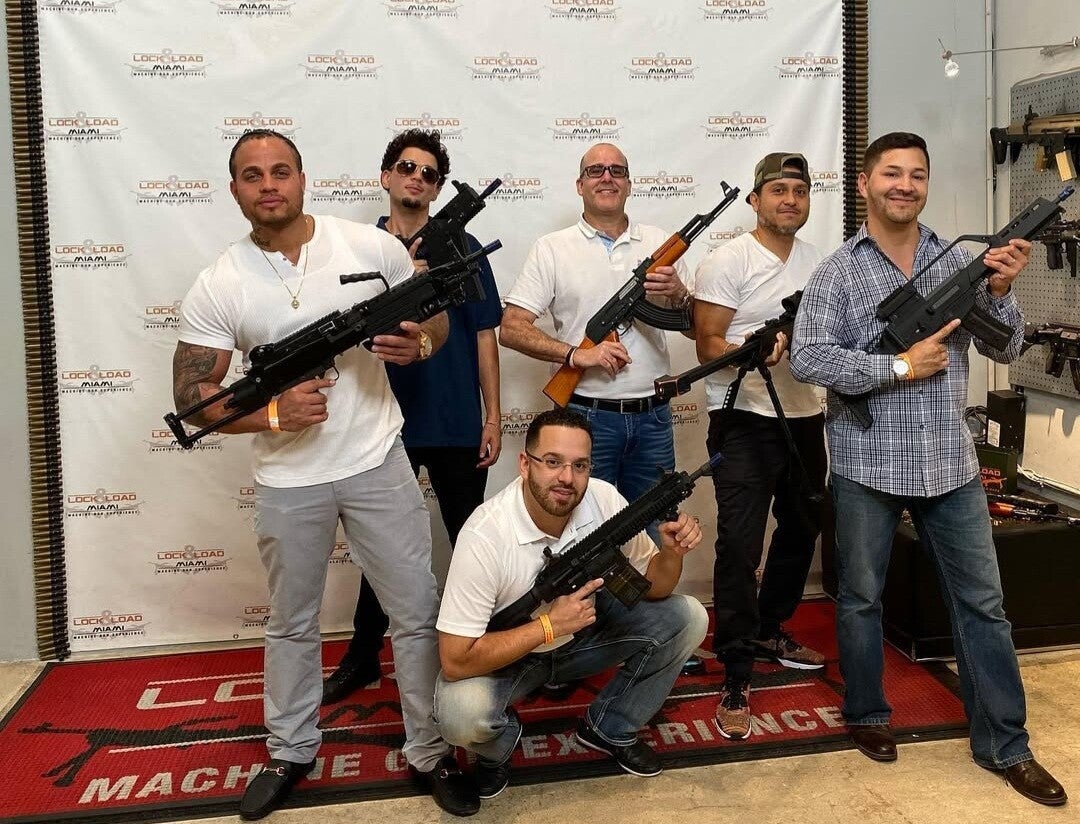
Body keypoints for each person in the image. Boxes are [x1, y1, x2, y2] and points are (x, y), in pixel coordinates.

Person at [172, 129, 479, 819]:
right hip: (289, 479)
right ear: (235, 190)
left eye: (281, 171)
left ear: (303, 178)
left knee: (416, 613)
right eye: (253, 175)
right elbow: (191, 400)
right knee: (292, 623)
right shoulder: (220, 281)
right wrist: (272, 414)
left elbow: (433, 318)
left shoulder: (368, 247)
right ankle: (290, 750)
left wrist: (420, 344)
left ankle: (429, 750)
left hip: (378, 458)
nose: (269, 185)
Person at [789, 131, 1067, 807]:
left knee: (984, 607)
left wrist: (1001, 288)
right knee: (861, 599)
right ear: (865, 183)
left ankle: (1006, 745)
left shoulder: (957, 260)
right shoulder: (838, 271)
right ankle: (867, 712)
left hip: (949, 463)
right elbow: (808, 356)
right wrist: (895, 366)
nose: (905, 185)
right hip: (868, 462)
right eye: (892, 173)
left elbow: (1008, 345)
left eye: (916, 175)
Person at [433, 408, 709, 802]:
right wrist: (548, 626)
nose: (567, 477)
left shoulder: (602, 498)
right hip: (513, 655)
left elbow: (656, 589)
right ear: (525, 464)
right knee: (461, 714)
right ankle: (498, 750)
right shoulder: (485, 535)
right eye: (552, 462)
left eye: (580, 465)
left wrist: (672, 552)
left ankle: (609, 727)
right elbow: (455, 660)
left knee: (687, 616)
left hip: (584, 636)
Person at [321, 129, 503, 706]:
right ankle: (362, 656)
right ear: (386, 176)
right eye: (406, 167)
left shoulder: (463, 247)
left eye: (428, 172)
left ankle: (489, 652)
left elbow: (484, 334)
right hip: (379, 423)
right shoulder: (358, 249)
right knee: (383, 551)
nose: (416, 178)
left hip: (455, 419)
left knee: (472, 543)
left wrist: (493, 416)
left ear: (438, 188)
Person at [692, 152, 828, 740]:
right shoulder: (728, 260)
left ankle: (770, 627)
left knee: (802, 528)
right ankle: (736, 671)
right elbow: (706, 345)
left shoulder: (821, 263)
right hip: (744, 417)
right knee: (740, 547)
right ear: (755, 200)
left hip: (806, 416)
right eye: (778, 190)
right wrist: (751, 348)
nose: (790, 199)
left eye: (799, 190)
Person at [499, 142, 692, 526]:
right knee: (584, 532)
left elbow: (695, 331)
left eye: (617, 171)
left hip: (653, 419)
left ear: (629, 184)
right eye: (595, 171)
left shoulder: (660, 244)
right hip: (585, 419)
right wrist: (576, 355)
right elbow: (511, 327)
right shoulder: (553, 248)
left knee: (655, 529)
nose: (607, 177)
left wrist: (679, 295)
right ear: (580, 184)